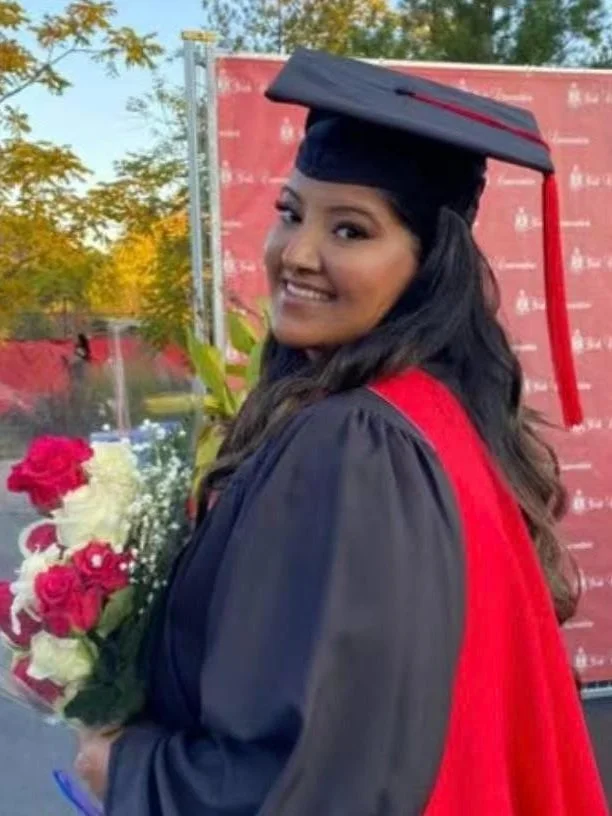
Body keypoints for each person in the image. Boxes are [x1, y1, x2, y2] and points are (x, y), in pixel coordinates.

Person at [75, 49, 608, 814]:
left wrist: (124, 769)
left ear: (427, 268)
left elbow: (312, 779)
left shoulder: (356, 440)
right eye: (291, 212)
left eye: (351, 230)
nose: (297, 253)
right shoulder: (433, 414)